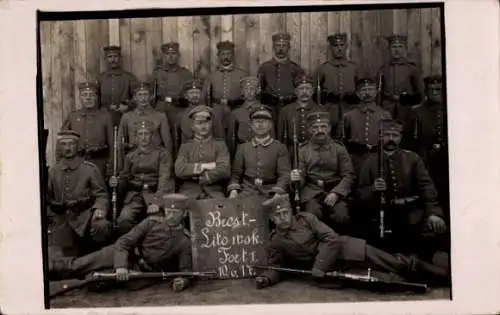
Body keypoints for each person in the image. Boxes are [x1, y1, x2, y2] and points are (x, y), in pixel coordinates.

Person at [253, 195, 450, 289]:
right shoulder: (275, 241)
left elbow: (332, 239)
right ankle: (423, 285)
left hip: (349, 250)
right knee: (386, 282)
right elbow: (279, 265)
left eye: (285, 212)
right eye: (277, 215)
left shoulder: (307, 219)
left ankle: (444, 277)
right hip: (339, 271)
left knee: (396, 263)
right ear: (272, 219)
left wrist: (319, 265)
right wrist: (267, 278)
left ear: (291, 211)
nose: (283, 217)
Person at [49, 194, 193, 293]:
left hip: (141, 272)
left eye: (176, 212)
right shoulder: (151, 223)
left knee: (95, 283)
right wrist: (121, 266)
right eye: (168, 211)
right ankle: (46, 270)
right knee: (79, 265)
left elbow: (185, 269)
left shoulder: (184, 241)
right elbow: (123, 242)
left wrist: (182, 281)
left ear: (184, 214)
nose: (171, 216)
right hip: (122, 253)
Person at [357, 118, 447, 259]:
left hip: (411, 211)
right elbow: (360, 192)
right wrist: (373, 188)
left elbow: (427, 187)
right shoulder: (369, 161)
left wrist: (433, 213)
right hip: (382, 213)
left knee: (431, 230)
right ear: (380, 136)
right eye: (387, 135)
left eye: (395, 135)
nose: (391, 139)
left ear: (401, 137)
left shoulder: (413, 159)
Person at [47, 130, 112, 257]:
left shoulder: (89, 169)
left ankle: (97, 258)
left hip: (84, 215)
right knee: (62, 263)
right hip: (62, 218)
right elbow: (47, 197)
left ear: (77, 146)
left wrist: (99, 209)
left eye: (71, 144)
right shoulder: (53, 171)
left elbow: (101, 195)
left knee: (101, 225)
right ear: (60, 147)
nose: (67, 148)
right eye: (64, 144)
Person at [290, 111, 355, 233]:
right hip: (312, 191)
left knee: (341, 216)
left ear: (329, 128)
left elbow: (348, 175)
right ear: (309, 130)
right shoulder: (302, 150)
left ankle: (340, 245)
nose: (320, 130)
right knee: (312, 215)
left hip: (335, 190)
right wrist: (296, 180)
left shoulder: (339, 148)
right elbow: (302, 176)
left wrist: (336, 193)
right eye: (315, 127)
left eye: (323, 127)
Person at [109, 120, 175, 235]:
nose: (143, 137)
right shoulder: (130, 156)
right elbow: (125, 176)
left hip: (155, 194)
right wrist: (116, 181)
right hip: (135, 195)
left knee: (157, 225)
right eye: (140, 134)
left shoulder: (162, 154)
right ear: (136, 137)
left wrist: (157, 202)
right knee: (124, 220)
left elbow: (165, 178)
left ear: (152, 136)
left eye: (146, 133)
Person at [228, 105, 290, 200]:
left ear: (270, 125)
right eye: (257, 122)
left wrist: (278, 192)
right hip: (247, 191)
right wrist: (233, 191)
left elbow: (284, 175)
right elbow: (236, 174)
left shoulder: (280, 147)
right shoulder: (243, 148)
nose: (260, 125)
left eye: (264, 122)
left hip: (270, 191)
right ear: (251, 125)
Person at [410, 75, 449, 220]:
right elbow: (411, 140)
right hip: (426, 158)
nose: (434, 92)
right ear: (425, 91)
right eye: (431, 90)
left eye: (438, 89)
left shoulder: (450, 107)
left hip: (447, 159)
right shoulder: (417, 111)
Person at [174, 105, 231, 200]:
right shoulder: (186, 146)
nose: (203, 126)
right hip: (189, 191)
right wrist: (206, 166)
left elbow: (224, 169)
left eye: (206, 122)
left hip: (214, 191)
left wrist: (204, 177)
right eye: (199, 123)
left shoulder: (220, 145)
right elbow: (179, 169)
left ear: (211, 124)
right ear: (192, 126)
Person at [379, 34, 425, 147]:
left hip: (406, 109)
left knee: (405, 137)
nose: (396, 50)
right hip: (387, 108)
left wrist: (415, 107)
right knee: (387, 136)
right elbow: (378, 91)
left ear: (404, 49)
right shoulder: (383, 69)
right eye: (394, 46)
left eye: (400, 46)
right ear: (389, 49)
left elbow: (420, 93)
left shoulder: (411, 68)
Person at [61, 81, 114, 177]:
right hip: (77, 163)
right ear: (80, 98)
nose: (88, 97)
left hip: (99, 164)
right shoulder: (72, 117)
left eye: (91, 95)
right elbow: (62, 141)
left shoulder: (105, 117)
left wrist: (110, 165)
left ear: (96, 97)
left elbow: (112, 144)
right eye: (85, 95)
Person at [340, 77, 392, 176]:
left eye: (371, 89)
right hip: (355, 160)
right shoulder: (349, 116)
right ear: (358, 94)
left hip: (378, 159)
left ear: (376, 92)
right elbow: (342, 141)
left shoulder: (385, 115)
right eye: (364, 90)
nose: (367, 93)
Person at [313, 33, 360, 138]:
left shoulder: (354, 68)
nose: (339, 48)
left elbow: (362, 90)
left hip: (350, 109)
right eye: (336, 46)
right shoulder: (323, 68)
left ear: (346, 47)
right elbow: (314, 91)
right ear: (331, 48)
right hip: (329, 111)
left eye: (342, 45)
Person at [118, 81, 172, 160]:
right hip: (133, 158)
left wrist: (167, 162)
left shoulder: (160, 116)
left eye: (145, 94)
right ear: (135, 97)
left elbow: (168, 142)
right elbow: (120, 143)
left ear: (151, 96)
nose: (143, 98)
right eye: (140, 95)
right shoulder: (127, 117)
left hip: (155, 158)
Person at [258, 32, 305, 123]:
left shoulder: (296, 68)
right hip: (270, 107)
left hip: (290, 106)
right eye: (278, 45)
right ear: (273, 47)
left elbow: (301, 90)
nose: (281, 48)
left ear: (289, 48)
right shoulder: (264, 68)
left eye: (284, 45)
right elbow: (259, 90)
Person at [277, 74, 324, 157]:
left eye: (308, 88)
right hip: (292, 154)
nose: (304, 92)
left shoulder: (320, 110)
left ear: (312, 91)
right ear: (296, 92)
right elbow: (281, 138)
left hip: (314, 154)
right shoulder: (286, 111)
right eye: (301, 88)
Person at [97, 46, 139, 126]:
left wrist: (128, 106)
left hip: (125, 116)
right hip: (104, 118)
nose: (113, 60)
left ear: (120, 58)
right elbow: (96, 99)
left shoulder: (129, 77)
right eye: (110, 57)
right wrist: (106, 108)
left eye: (115, 56)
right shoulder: (101, 78)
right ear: (105, 59)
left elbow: (138, 95)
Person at [202, 41, 248, 113]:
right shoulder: (211, 76)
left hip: (236, 110)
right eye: (223, 54)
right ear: (218, 56)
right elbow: (204, 97)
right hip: (216, 111)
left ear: (233, 55)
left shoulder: (242, 75)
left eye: (228, 54)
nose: (226, 57)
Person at [177, 79, 227, 147]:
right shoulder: (180, 115)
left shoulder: (212, 113)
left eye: (198, 93)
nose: (195, 95)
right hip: (190, 151)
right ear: (186, 96)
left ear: (202, 94)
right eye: (191, 93)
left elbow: (220, 136)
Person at [151, 42, 194, 114]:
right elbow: (150, 92)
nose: (170, 56)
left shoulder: (186, 74)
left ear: (178, 55)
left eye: (173, 53)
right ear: (163, 56)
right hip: (161, 108)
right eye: (167, 53)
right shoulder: (157, 73)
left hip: (180, 108)